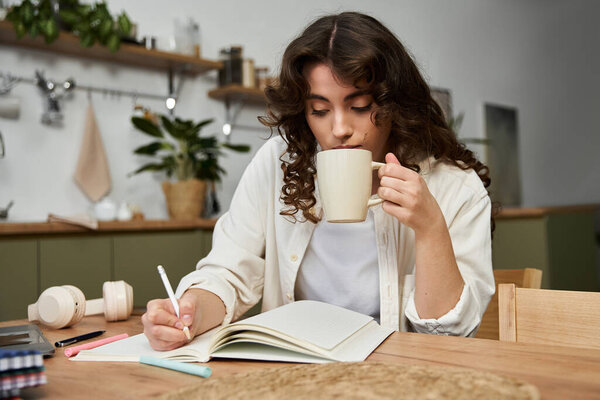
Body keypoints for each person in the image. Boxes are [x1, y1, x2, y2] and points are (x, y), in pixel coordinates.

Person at [142, 11, 495, 351]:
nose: (339, 129)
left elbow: (449, 339)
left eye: (359, 106)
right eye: (321, 110)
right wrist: (190, 311)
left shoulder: (454, 187)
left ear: (394, 104)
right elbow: (228, 270)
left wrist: (431, 229)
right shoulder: (279, 163)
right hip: (293, 374)